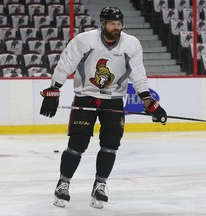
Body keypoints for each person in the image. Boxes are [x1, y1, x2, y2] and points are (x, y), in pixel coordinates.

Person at [40, 6, 167, 209]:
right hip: (86, 97)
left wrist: (148, 101)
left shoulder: (131, 44)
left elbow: (138, 74)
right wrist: (53, 91)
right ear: (102, 24)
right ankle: (63, 183)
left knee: (110, 144)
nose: (116, 27)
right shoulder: (85, 40)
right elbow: (65, 64)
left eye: (118, 24)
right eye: (112, 23)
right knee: (78, 142)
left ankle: (100, 184)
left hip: (114, 99)